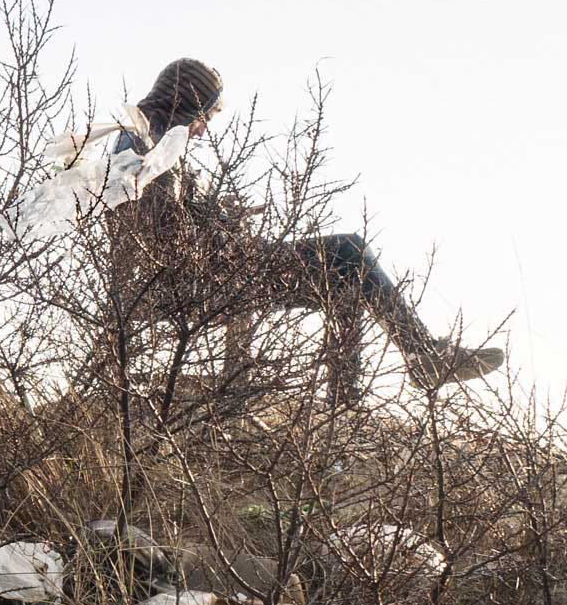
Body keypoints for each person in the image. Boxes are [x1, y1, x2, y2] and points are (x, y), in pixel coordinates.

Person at [114, 58, 505, 393]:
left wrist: (217, 216)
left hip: (205, 274)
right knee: (349, 253)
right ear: (185, 102)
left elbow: (169, 219)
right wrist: (220, 228)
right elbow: (164, 237)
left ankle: (350, 396)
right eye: (202, 116)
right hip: (198, 281)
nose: (203, 130)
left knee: (344, 276)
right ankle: (419, 356)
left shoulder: (149, 141)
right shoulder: (150, 146)